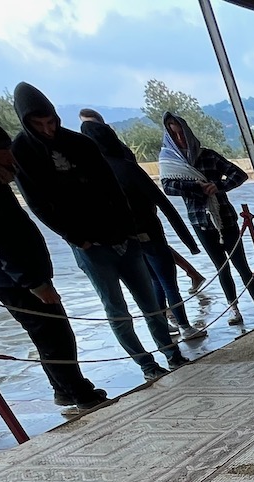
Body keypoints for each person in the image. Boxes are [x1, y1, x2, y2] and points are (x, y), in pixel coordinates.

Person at [0, 101, 108, 414]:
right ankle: (77, 391)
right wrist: (33, 282)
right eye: (4, 149)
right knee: (52, 333)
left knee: (54, 331)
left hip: (20, 269)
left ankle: (66, 389)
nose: (10, 157)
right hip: (11, 275)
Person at [10, 83, 189, 380]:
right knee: (117, 310)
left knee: (150, 302)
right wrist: (78, 239)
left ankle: (171, 352)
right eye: (39, 125)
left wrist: (129, 230)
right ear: (26, 123)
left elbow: (114, 189)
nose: (48, 130)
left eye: (51, 122)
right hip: (89, 247)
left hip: (123, 237)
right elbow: (39, 206)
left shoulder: (81, 144)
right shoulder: (22, 153)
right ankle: (146, 363)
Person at [80, 118, 207, 342]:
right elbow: (163, 203)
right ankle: (185, 326)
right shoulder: (126, 168)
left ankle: (163, 329)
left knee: (153, 283)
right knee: (167, 283)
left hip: (126, 240)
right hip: (149, 234)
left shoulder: (92, 173)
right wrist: (189, 242)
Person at [159, 112, 254, 327]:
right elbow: (168, 187)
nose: (181, 140)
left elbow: (238, 174)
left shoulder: (207, 156)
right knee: (221, 267)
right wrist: (195, 187)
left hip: (224, 218)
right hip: (200, 221)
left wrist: (217, 186)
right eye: (176, 136)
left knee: (241, 264)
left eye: (182, 134)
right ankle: (234, 308)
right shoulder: (171, 162)